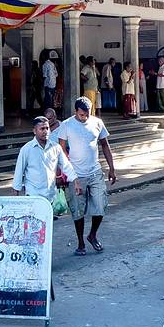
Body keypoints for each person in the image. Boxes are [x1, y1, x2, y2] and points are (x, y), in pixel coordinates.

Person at [58, 96, 117, 256]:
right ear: (75, 111)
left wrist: (112, 168)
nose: (85, 117)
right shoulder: (66, 125)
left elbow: (105, 145)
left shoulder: (97, 122)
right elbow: (61, 149)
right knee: (78, 210)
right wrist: (67, 172)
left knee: (100, 206)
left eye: (87, 114)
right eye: (82, 114)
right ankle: (81, 242)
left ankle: (92, 235)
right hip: (76, 175)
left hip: (95, 171)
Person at [13, 116, 81, 204]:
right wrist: (16, 195)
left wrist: (75, 180)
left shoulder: (56, 147)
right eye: (42, 129)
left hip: (51, 195)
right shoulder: (26, 149)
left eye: (47, 128)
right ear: (35, 131)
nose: (45, 131)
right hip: (33, 196)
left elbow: (66, 165)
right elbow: (19, 171)